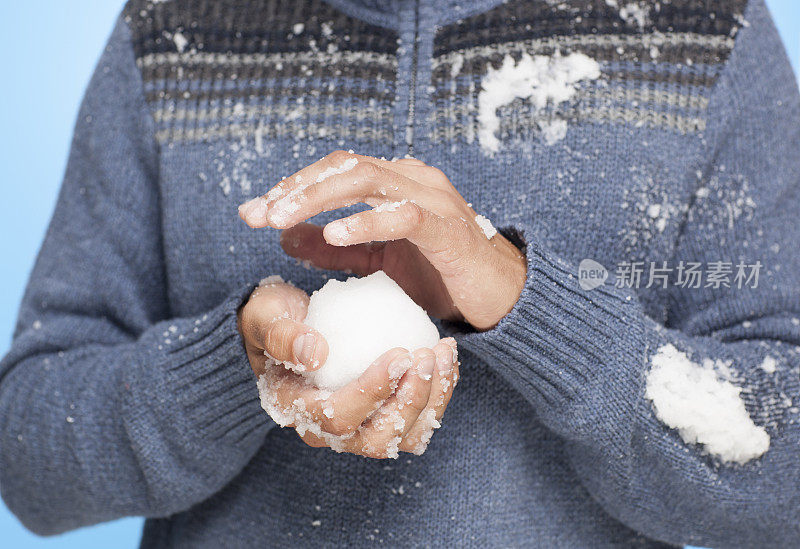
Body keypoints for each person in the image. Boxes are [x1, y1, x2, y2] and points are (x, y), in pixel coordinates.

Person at [1, 0, 798, 546]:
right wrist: (232, 369)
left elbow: (786, 468)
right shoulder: (173, 31)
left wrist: (529, 304)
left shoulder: (706, 31)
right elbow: (28, 453)